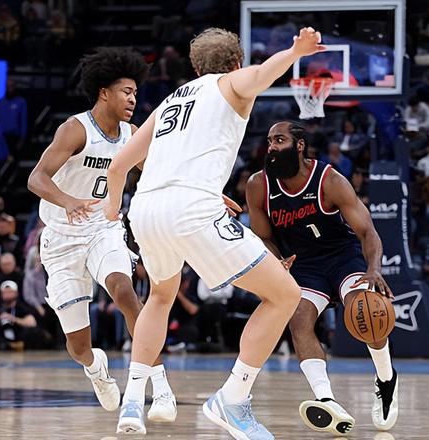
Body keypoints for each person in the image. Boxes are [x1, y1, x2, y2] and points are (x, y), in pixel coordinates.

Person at [104, 27, 324, 437]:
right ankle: (233, 399)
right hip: (190, 209)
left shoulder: (172, 100)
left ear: (196, 67)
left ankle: (132, 403)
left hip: (147, 209)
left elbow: (119, 167)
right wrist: (295, 51)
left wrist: (113, 212)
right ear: (236, 63)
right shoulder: (231, 83)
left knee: (160, 297)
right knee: (285, 295)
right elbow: (261, 76)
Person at [27, 47, 174, 416]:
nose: (133, 99)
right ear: (104, 92)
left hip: (102, 227)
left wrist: (209, 195)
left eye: (136, 93)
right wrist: (67, 201)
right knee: (78, 346)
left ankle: (160, 386)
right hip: (61, 239)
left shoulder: (132, 134)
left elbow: (161, 174)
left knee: (124, 291)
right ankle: (96, 369)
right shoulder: (75, 129)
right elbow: (36, 178)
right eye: (126, 91)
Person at [245, 121, 397, 434]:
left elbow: (367, 231)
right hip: (303, 265)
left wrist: (374, 269)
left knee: (366, 310)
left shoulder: (329, 180)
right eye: (270, 141)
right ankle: (326, 399)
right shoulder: (259, 185)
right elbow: (263, 237)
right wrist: (277, 260)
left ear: (299, 145)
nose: (271, 147)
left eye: (279, 140)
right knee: (299, 319)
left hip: (343, 257)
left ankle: (386, 378)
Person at [0, 280, 44, 351]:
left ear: (16, 293)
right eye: (4, 293)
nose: (7, 295)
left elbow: (32, 323)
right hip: (2, 333)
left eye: (10, 292)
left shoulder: (22, 307)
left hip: (17, 332)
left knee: (34, 332)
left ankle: (1, 345)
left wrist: (14, 319)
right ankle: (7, 345)